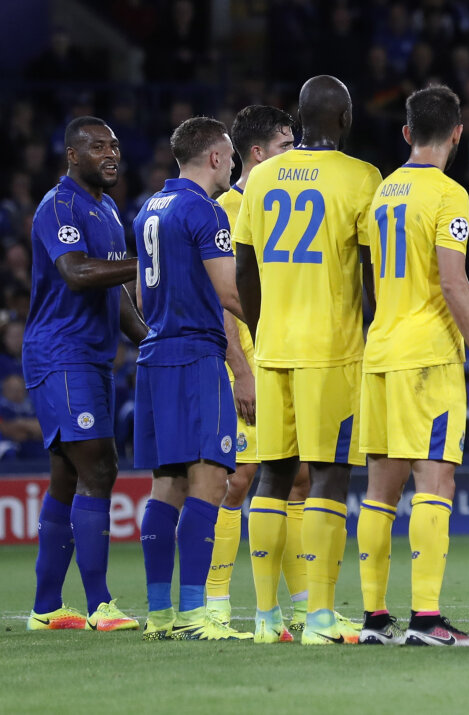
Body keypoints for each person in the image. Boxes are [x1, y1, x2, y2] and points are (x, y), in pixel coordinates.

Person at [235, 75, 382, 645]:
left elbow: (244, 268)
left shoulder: (262, 176)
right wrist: (375, 330)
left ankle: (266, 617)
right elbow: (370, 272)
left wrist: (261, 330)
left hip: (274, 348)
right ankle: (320, 616)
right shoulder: (361, 177)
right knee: (328, 475)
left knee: (271, 475)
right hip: (331, 351)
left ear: (298, 120)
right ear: (344, 118)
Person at [355, 85, 469, 647]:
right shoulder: (449, 194)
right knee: (436, 479)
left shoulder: (382, 192)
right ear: (457, 133)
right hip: (428, 356)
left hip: (381, 350)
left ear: (407, 132)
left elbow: (368, 275)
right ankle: (427, 620)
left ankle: (374, 620)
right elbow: (452, 279)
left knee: (379, 492)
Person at [24, 116, 145, 633]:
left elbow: (113, 294)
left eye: (114, 145)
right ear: (73, 155)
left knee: (69, 474)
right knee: (100, 466)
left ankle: (46, 607)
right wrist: (148, 261)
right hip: (61, 354)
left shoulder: (109, 210)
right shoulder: (59, 206)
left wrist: (149, 338)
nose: (111, 153)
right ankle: (100, 606)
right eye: (97, 147)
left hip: (90, 357)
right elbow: (76, 272)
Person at [132, 117, 249, 641]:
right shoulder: (206, 210)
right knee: (210, 480)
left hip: (155, 356)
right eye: (230, 156)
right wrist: (275, 322)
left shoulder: (148, 209)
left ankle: (160, 616)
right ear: (216, 157)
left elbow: (141, 297)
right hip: (197, 357)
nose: (232, 165)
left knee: (168, 484)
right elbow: (229, 292)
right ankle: (197, 616)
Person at [205, 105, 312, 638]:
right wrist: (241, 369)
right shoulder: (225, 207)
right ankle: (215, 603)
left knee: (299, 478)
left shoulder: (283, 203)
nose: (294, 154)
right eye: (286, 146)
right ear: (257, 152)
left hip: (286, 357)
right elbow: (223, 298)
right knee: (239, 479)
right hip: (245, 362)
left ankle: (304, 607)